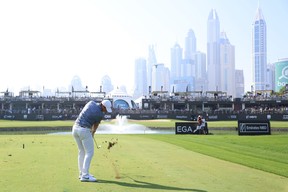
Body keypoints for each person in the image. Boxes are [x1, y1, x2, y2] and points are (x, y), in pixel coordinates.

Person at [72, 99, 112, 182]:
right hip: (83, 130)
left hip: (75, 128)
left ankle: (82, 173)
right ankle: (85, 176)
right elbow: (95, 125)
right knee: (90, 152)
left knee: (81, 151)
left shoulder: (91, 103)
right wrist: (93, 133)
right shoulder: (99, 114)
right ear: (103, 106)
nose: (105, 111)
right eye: (105, 109)